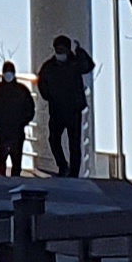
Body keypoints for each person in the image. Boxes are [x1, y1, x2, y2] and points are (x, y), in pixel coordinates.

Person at [37, 34, 93, 177]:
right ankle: (62, 165)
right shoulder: (49, 67)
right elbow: (41, 82)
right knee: (53, 139)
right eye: (58, 49)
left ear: (68, 50)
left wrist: (80, 52)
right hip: (57, 110)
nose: (60, 52)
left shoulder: (75, 63)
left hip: (74, 110)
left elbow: (88, 66)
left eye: (62, 49)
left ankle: (74, 173)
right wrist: (48, 96)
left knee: (74, 144)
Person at [0, 58, 36, 176]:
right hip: (5, 129)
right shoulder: (19, 90)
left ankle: (5, 180)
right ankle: (8, 180)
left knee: (14, 160)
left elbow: (30, 109)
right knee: (4, 159)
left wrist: (22, 122)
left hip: (13, 129)